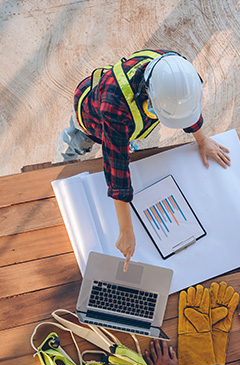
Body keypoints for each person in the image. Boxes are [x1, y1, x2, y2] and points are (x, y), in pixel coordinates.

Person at [56, 50, 230, 270]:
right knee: (76, 145)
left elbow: (185, 106)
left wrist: (202, 138)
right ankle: (64, 159)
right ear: (147, 95)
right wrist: (126, 231)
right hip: (90, 118)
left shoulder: (174, 70)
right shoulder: (115, 109)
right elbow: (116, 167)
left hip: (122, 121)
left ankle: (124, 138)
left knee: (121, 139)